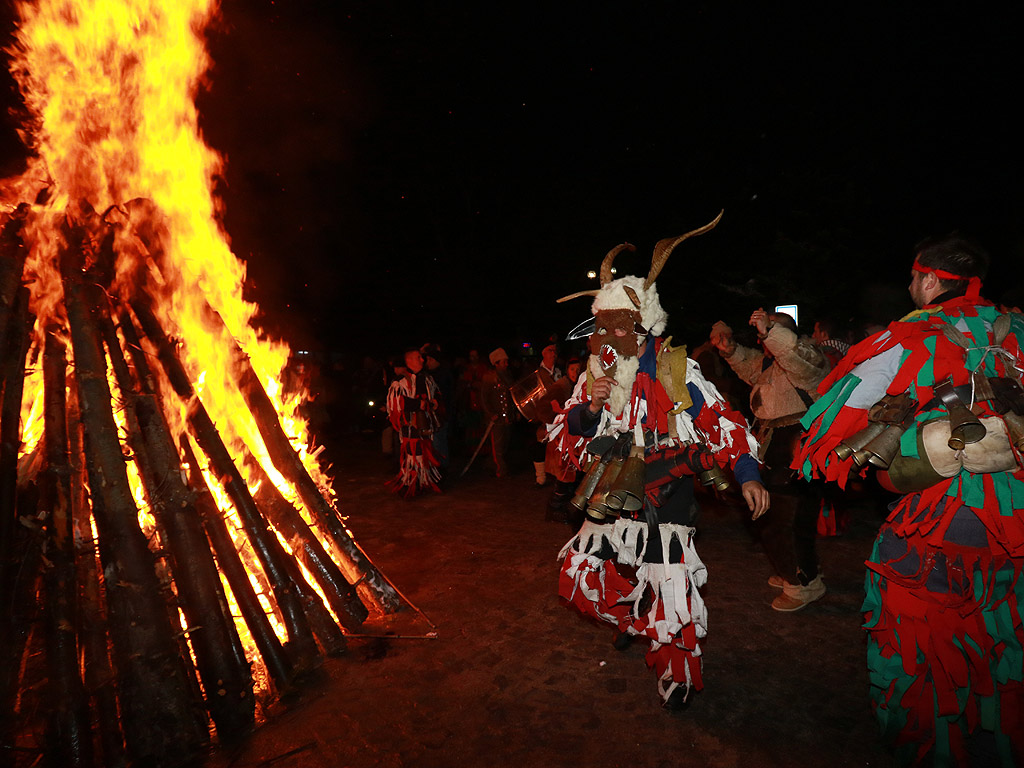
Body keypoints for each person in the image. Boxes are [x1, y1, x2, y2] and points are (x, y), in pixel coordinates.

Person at [794, 234, 1024, 766]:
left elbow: (826, 432)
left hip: (943, 527)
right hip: (1014, 535)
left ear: (926, 280)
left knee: (923, 663)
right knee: (1002, 654)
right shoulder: (1018, 330)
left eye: (911, 278)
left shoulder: (912, 337)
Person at [549, 215, 770, 709]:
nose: (608, 338)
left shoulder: (676, 368)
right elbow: (568, 439)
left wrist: (747, 473)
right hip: (610, 492)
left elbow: (720, 420)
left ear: (643, 323)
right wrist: (588, 408)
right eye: (602, 327)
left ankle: (678, 677)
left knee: (673, 591)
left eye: (618, 326)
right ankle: (641, 619)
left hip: (668, 492)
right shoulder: (594, 373)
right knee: (580, 579)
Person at [710, 309, 831, 611]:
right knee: (784, 518)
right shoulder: (770, 362)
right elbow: (749, 364)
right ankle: (800, 571)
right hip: (774, 445)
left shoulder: (809, 357)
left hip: (795, 445)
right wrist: (730, 350)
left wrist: (771, 332)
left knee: (783, 520)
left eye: (772, 330)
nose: (764, 335)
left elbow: (794, 357)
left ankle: (801, 583)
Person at [385, 349, 442, 496]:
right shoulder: (400, 382)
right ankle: (411, 483)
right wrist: (418, 404)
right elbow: (396, 403)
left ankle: (424, 482)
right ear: (409, 361)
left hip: (426, 426)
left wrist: (435, 402)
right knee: (413, 454)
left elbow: (437, 394)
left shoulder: (427, 379)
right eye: (418, 358)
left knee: (425, 453)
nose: (422, 360)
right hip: (410, 426)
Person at [530, 344, 564, 486]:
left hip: (557, 415)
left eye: (554, 351)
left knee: (556, 447)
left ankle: (557, 476)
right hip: (541, 416)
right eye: (550, 351)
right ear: (543, 353)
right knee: (539, 445)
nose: (553, 354)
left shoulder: (558, 371)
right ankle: (540, 477)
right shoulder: (537, 374)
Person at [480, 347, 515, 478]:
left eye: (506, 361)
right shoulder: (489, 378)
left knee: (505, 444)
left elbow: (511, 396)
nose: (506, 364)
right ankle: (501, 470)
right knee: (498, 447)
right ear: (496, 363)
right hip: (496, 418)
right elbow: (484, 398)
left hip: (507, 417)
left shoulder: (508, 376)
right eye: (503, 362)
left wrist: (513, 412)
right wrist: (490, 414)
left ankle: (491, 464)